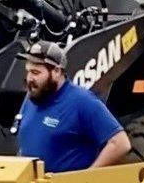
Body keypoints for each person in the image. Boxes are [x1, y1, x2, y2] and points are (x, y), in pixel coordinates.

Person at [16, 40, 131, 173]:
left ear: (56, 71)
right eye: (28, 71)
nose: (30, 78)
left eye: (36, 73)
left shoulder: (82, 101)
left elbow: (120, 143)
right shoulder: (32, 98)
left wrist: (86, 177)